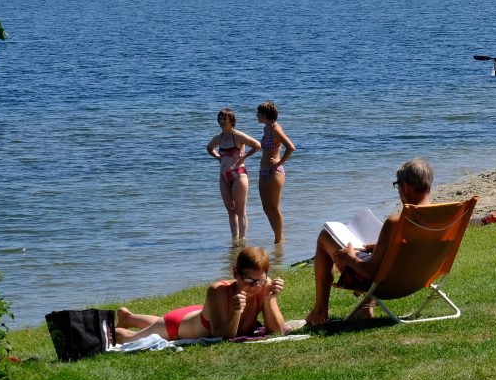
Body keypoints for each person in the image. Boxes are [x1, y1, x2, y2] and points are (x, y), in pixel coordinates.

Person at [305, 157, 433, 326]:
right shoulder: (443, 216)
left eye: (398, 186)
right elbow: (414, 249)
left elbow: (371, 272)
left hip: (388, 284)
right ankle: (365, 308)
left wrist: (350, 258)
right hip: (422, 278)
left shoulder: (395, 223)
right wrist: (382, 247)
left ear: (406, 186)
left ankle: (320, 312)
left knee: (325, 237)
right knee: (366, 248)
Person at [115, 246, 286, 342]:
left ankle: (129, 317)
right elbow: (223, 336)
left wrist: (269, 299)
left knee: (157, 324)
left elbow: (278, 330)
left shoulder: (265, 286)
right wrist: (235, 312)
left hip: (200, 314)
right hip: (179, 325)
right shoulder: (218, 291)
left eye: (260, 281)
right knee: (132, 339)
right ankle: (112, 331)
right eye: (249, 281)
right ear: (235, 274)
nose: (255, 287)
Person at [207, 108, 261, 240]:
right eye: (220, 118)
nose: (221, 121)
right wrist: (219, 158)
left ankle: (242, 241)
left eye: (224, 118)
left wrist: (244, 157)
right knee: (231, 211)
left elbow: (257, 145)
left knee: (240, 211)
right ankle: (234, 240)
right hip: (223, 176)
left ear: (231, 120)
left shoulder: (237, 135)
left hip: (239, 175)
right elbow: (209, 148)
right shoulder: (218, 137)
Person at [256, 100, 296, 244]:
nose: (256, 115)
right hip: (263, 171)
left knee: (274, 207)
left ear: (265, 115)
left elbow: (291, 147)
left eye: (258, 113)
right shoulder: (266, 129)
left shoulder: (275, 129)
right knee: (266, 207)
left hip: (274, 172)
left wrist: (279, 162)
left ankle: (278, 239)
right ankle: (279, 237)